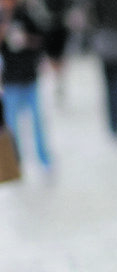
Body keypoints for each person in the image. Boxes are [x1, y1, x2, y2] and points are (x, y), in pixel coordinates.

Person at [0, 0, 53, 174]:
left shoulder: (27, 13)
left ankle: (44, 160)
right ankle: (14, 164)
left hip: (29, 78)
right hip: (10, 81)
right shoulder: (2, 16)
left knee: (37, 123)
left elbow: (42, 37)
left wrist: (26, 40)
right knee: (11, 126)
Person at [84, 0, 117, 140]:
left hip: (104, 45)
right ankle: (116, 125)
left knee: (108, 86)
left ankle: (112, 125)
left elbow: (90, 21)